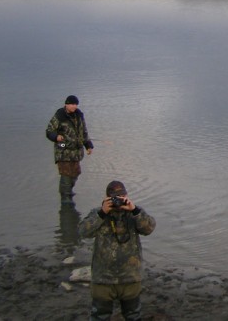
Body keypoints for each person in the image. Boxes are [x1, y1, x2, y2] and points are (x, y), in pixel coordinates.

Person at [78, 180, 156, 321]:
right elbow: (83, 231)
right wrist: (102, 213)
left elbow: (149, 228)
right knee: (99, 317)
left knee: (133, 316)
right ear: (107, 198)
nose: (118, 201)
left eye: (121, 196)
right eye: (114, 197)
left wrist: (134, 210)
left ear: (126, 195)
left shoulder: (134, 213)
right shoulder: (98, 213)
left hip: (130, 277)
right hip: (103, 278)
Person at [45, 95, 94, 204]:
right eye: (72, 104)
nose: (74, 106)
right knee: (66, 174)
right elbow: (49, 131)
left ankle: (69, 191)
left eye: (76, 104)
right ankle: (65, 197)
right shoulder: (59, 115)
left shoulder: (79, 116)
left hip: (76, 152)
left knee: (76, 173)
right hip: (63, 150)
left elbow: (84, 132)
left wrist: (88, 145)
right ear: (66, 104)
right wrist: (56, 137)